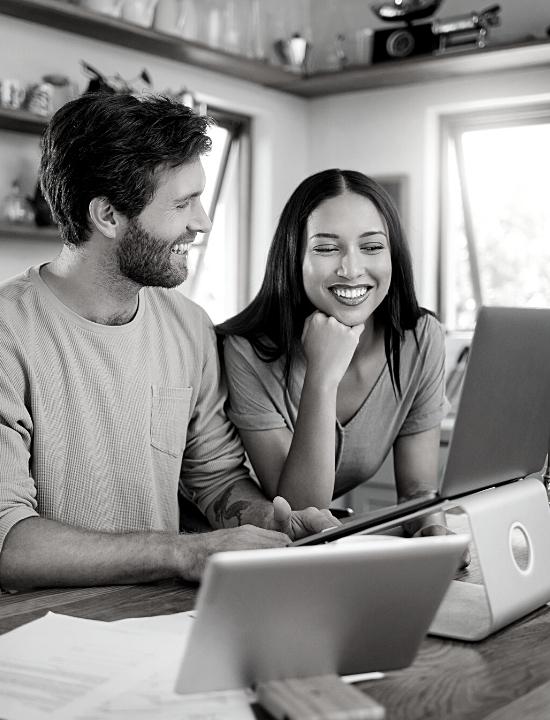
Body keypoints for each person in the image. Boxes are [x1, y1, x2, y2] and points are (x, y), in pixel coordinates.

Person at [0, 94, 338, 592]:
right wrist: (184, 552)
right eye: (182, 204)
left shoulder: (189, 327)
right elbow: (10, 546)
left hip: (157, 620)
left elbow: (218, 480)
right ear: (108, 216)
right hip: (37, 635)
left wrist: (268, 524)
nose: (202, 222)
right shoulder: (9, 334)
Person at [218, 169, 449, 523]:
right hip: (225, 543)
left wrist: (433, 528)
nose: (352, 269)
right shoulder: (245, 351)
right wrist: (323, 376)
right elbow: (299, 510)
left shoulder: (420, 338)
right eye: (326, 248)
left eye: (372, 247)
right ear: (294, 257)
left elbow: (418, 490)